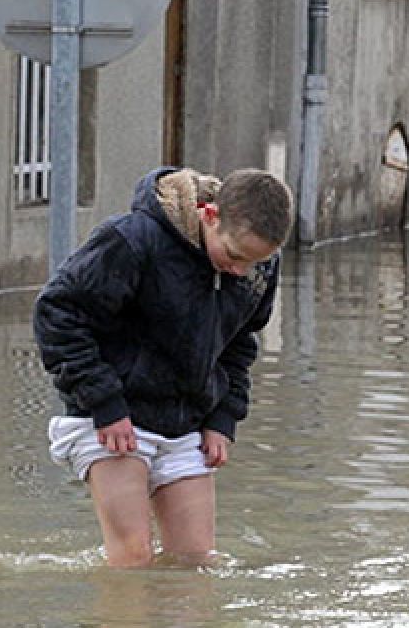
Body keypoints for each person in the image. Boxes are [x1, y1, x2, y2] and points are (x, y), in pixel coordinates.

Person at [34, 166, 293, 567]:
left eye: (256, 262)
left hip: (187, 423)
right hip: (111, 415)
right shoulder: (131, 240)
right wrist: (104, 403)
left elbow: (241, 344)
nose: (241, 272)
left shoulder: (258, 267)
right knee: (133, 558)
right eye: (234, 256)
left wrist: (223, 418)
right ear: (210, 215)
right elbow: (57, 313)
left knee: (196, 564)